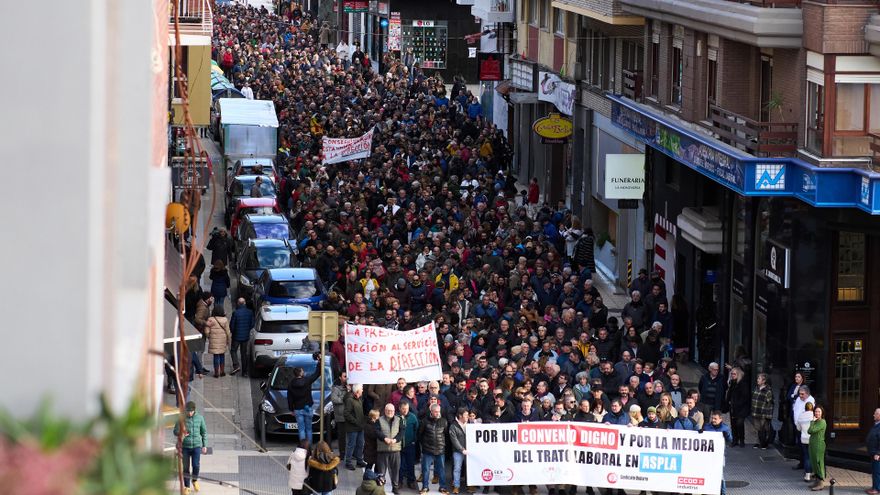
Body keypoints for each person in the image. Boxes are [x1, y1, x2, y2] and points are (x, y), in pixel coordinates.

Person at [287, 352, 323, 442]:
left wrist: (291, 409)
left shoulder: (291, 384)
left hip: (298, 409)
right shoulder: (307, 380)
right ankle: (309, 448)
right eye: (302, 371)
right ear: (300, 373)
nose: (304, 372)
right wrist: (319, 362)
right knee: (309, 429)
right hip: (307, 407)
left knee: (301, 429)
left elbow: (290, 398)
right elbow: (317, 373)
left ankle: (303, 448)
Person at [174, 401, 208, 494]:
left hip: (196, 446)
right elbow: (175, 431)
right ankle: (187, 486)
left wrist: (204, 445)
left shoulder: (200, 418)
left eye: (191, 411)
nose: (189, 413)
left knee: (196, 465)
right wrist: (181, 432)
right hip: (185, 446)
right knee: (185, 467)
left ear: (194, 410)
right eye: (188, 411)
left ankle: (194, 480)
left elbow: (204, 432)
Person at [419, 404, 449, 494]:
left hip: (440, 450)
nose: (437, 413)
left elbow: (446, 435)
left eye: (438, 411)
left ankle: (442, 487)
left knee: (441, 470)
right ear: (431, 411)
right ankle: (425, 487)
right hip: (427, 450)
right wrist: (424, 445)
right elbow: (420, 435)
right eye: (435, 411)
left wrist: (443, 446)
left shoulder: (444, 421)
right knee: (425, 470)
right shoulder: (424, 421)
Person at [375, 403, 404, 494]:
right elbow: (377, 431)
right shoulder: (379, 420)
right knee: (381, 472)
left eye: (392, 411)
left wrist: (395, 440)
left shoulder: (399, 420)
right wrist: (384, 438)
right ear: (385, 411)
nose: (390, 412)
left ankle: (395, 487)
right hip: (383, 450)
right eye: (388, 410)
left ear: (394, 411)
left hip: (395, 450)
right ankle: (380, 489)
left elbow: (402, 432)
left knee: (395, 470)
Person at [344, 385, 368, 470]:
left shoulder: (359, 399)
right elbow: (346, 413)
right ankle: (348, 462)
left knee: (360, 444)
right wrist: (356, 421)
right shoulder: (350, 400)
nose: (362, 390)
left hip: (359, 427)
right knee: (351, 445)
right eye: (361, 389)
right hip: (353, 427)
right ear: (357, 391)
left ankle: (359, 460)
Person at [726, 367, 750, 447]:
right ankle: (735, 440)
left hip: (741, 408)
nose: (732, 375)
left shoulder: (743, 384)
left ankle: (742, 440)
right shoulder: (732, 383)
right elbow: (729, 394)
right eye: (731, 374)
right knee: (733, 424)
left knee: (739, 423)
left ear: (738, 374)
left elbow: (745, 397)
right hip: (733, 407)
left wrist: (737, 403)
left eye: (734, 374)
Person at [228, 298, 253, 376]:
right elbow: (252, 324)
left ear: (238, 303)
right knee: (244, 353)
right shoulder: (250, 312)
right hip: (245, 336)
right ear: (244, 303)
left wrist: (233, 332)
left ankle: (236, 365)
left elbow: (231, 326)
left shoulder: (235, 313)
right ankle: (244, 372)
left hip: (236, 336)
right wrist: (247, 330)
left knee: (233, 350)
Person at [205, 306, 231, 377]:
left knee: (216, 356)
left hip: (213, 340)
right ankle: (222, 372)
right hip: (223, 340)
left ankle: (216, 373)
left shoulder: (210, 319)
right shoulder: (225, 320)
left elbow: (206, 331)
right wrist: (228, 340)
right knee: (222, 355)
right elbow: (228, 332)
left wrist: (209, 337)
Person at [399, 401, 420, 490]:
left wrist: (414, 440)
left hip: (410, 445)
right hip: (399, 445)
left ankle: (411, 481)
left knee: (410, 464)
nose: (405, 410)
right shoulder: (396, 417)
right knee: (399, 465)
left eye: (406, 409)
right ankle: (399, 481)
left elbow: (417, 429)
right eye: (403, 409)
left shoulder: (413, 417)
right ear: (399, 408)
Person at [449, 407, 470, 494]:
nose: (467, 417)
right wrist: (462, 449)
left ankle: (470, 485)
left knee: (470, 468)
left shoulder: (470, 425)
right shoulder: (453, 426)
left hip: (469, 451)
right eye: (466, 415)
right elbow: (454, 440)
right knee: (457, 468)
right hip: (458, 451)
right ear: (460, 416)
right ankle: (456, 486)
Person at [751, 372, 774, 449]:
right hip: (755, 412)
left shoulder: (768, 391)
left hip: (763, 413)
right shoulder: (756, 388)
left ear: (764, 381)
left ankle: (764, 444)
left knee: (764, 429)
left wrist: (768, 415)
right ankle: (759, 442)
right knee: (758, 428)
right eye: (758, 378)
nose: (757, 380)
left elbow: (770, 404)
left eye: (759, 378)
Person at [808, 405, 828, 491]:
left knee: (818, 462)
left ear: (822, 413)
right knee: (813, 462)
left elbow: (810, 430)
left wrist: (812, 422)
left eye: (819, 411)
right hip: (812, 445)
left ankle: (821, 483)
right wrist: (813, 422)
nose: (817, 413)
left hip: (818, 445)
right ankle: (816, 481)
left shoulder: (822, 422)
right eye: (816, 411)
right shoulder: (816, 421)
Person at [331, 373, 349, 457]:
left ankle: (348, 452)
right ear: (340, 377)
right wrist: (345, 398)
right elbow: (335, 399)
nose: (346, 378)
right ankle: (342, 453)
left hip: (348, 415)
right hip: (340, 416)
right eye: (344, 376)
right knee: (342, 436)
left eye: (347, 376)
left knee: (349, 436)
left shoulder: (349, 388)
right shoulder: (335, 388)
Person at [796, 402, 815, 482]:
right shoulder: (814, 416)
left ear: (805, 408)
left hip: (804, 439)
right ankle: (813, 472)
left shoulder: (801, 416)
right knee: (813, 457)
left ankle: (807, 475)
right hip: (813, 439)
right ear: (812, 408)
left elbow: (798, 428)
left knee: (806, 457)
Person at [867, 407, 880, 495]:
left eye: (875, 413)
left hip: (876, 453)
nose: (873, 415)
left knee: (877, 472)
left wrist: (878, 453)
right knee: (874, 471)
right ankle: (874, 486)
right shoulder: (876, 424)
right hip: (873, 452)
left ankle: (877, 488)